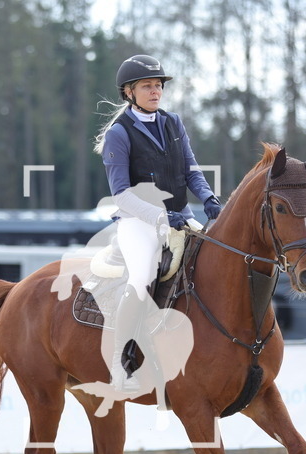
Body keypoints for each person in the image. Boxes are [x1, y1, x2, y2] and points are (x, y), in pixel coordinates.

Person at [93, 54, 222, 391]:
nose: (155, 91)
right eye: (147, 86)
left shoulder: (173, 122)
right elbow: (121, 195)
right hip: (139, 222)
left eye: (158, 85)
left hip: (181, 214)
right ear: (129, 92)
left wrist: (208, 198)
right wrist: (163, 217)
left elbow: (191, 169)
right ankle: (120, 361)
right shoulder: (118, 135)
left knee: (215, 262)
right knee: (142, 276)